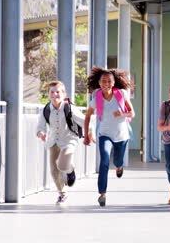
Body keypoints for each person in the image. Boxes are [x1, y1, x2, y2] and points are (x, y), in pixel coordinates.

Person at [84, 66, 135, 207]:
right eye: (103, 81)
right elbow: (87, 116)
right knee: (104, 162)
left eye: (109, 81)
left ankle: (119, 167)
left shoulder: (122, 94)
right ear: (99, 83)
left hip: (122, 135)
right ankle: (102, 194)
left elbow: (132, 113)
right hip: (105, 134)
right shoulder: (96, 99)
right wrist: (86, 135)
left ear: (114, 83)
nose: (106, 84)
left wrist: (122, 114)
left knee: (118, 160)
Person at [36, 81, 92, 204]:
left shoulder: (69, 108)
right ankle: (62, 194)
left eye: (58, 92)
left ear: (63, 93)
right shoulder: (46, 109)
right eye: (52, 92)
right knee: (53, 170)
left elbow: (85, 121)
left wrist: (90, 133)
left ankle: (70, 170)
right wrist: (41, 133)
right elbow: (40, 127)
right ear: (48, 94)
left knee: (62, 165)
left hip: (69, 140)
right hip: (52, 142)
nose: (55, 94)